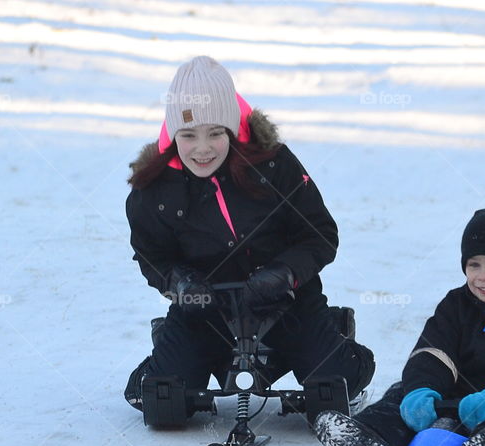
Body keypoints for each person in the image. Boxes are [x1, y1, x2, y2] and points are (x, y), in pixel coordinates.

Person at [123, 56, 374, 414]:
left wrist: (286, 272)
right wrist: (178, 282)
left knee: (334, 390)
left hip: (285, 303)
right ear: (172, 133)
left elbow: (319, 233)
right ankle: (169, 341)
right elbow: (151, 254)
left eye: (215, 133)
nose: (202, 148)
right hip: (205, 310)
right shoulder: (154, 188)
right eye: (189, 135)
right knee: (161, 403)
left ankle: (336, 332)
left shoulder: (273, 163)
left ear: (233, 129)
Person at [313, 208, 485, 446]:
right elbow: (433, 351)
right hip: (452, 399)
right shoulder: (455, 304)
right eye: (474, 265)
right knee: (400, 396)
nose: (483, 276)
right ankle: (372, 438)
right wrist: (422, 390)